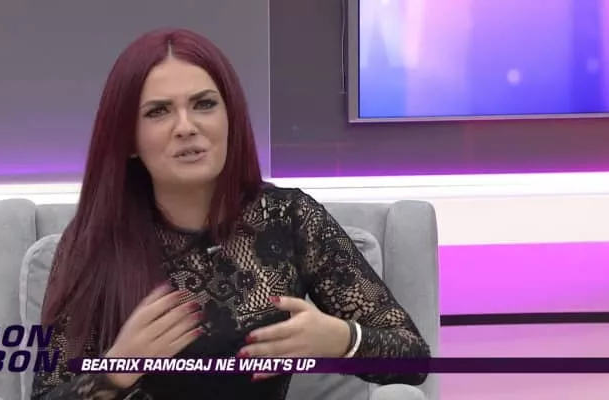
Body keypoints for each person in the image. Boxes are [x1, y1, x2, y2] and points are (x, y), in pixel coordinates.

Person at [31, 28, 431, 400]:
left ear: (230, 118)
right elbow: (45, 394)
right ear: (129, 139)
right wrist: (116, 369)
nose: (186, 127)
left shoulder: (287, 218)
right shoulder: (95, 241)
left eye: (204, 104)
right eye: (158, 111)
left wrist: (342, 339)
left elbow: (413, 359)